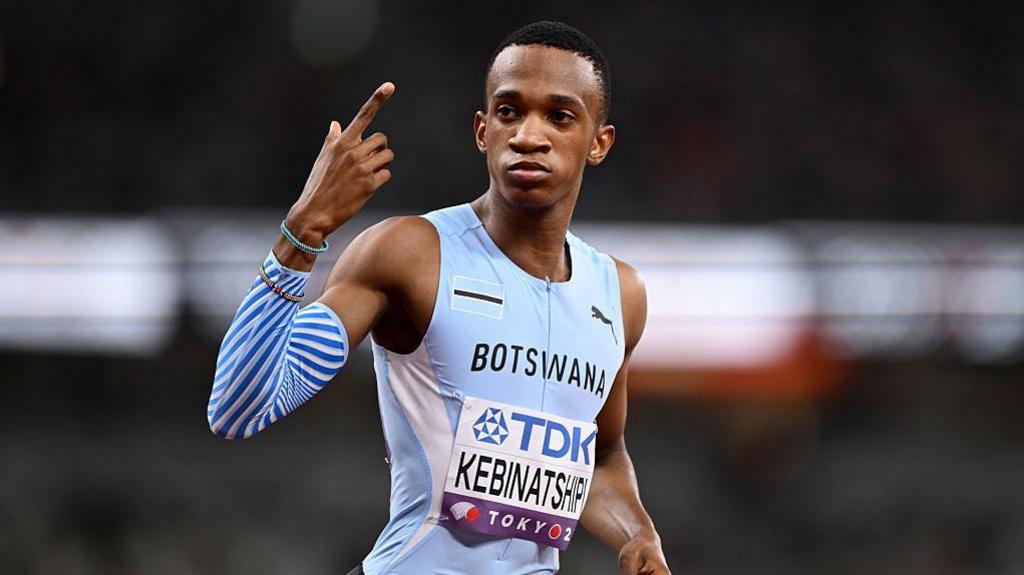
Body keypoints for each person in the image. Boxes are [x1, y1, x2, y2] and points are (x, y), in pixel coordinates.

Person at [207, 21, 670, 575]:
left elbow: (600, 455)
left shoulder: (619, 295)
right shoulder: (410, 256)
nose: (528, 135)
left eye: (559, 116)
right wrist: (302, 231)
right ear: (482, 130)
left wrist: (638, 534)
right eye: (508, 111)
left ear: (599, 142)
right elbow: (238, 408)